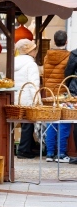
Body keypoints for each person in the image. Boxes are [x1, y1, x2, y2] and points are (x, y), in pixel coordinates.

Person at [43, 30, 71, 162]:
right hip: (63, 93)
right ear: (66, 41)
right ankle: (60, 153)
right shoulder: (69, 56)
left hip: (50, 93)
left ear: (54, 41)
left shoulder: (47, 56)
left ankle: (49, 153)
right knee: (64, 122)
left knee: (51, 122)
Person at [14, 39, 41, 159]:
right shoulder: (31, 64)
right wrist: (37, 100)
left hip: (16, 97)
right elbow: (33, 84)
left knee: (19, 124)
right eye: (34, 49)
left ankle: (26, 148)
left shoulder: (14, 62)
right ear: (30, 51)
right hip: (28, 98)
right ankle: (24, 150)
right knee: (28, 124)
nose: (35, 52)